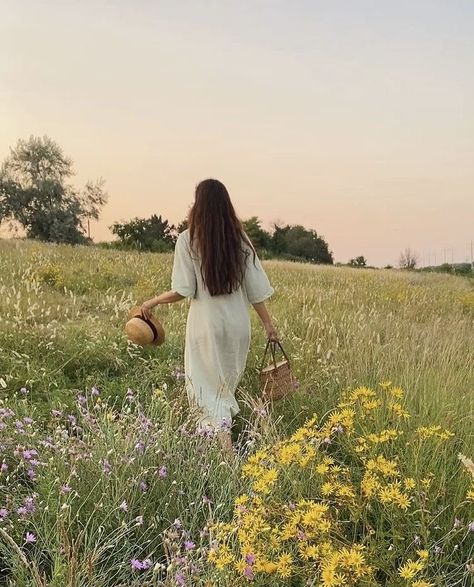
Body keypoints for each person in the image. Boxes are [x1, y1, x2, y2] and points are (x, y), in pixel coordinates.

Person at [140, 178, 277, 450]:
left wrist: (152, 302)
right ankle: (219, 452)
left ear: (198, 205)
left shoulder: (187, 240)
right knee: (223, 391)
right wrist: (268, 325)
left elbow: (183, 290)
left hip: (206, 326)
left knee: (207, 394)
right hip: (238, 327)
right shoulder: (240, 240)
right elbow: (256, 290)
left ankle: (225, 463)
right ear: (227, 205)